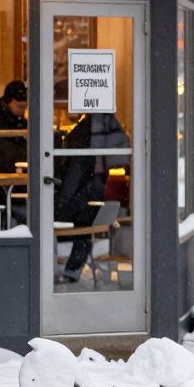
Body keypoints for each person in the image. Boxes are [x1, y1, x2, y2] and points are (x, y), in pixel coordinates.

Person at [54, 112, 130, 284]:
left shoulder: (92, 125)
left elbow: (73, 177)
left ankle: (69, 271)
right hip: (89, 187)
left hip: (84, 188)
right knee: (85, 226)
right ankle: (71, 271)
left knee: (82, 225)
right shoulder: (99, 123)